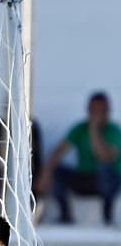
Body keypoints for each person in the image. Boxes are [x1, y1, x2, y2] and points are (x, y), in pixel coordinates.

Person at [36, 91, 121, 225]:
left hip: (107, 182)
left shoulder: (114, 131)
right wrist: (46, 173)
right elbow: (58, 152)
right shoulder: (80, 129)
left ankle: (108, 218)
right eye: (94, 110)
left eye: (100, 110)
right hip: (85, 178)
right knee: (57, 171)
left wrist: (93, 130)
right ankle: (65, 215)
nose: (96, 114)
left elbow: (105, 157)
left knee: (105, 169)